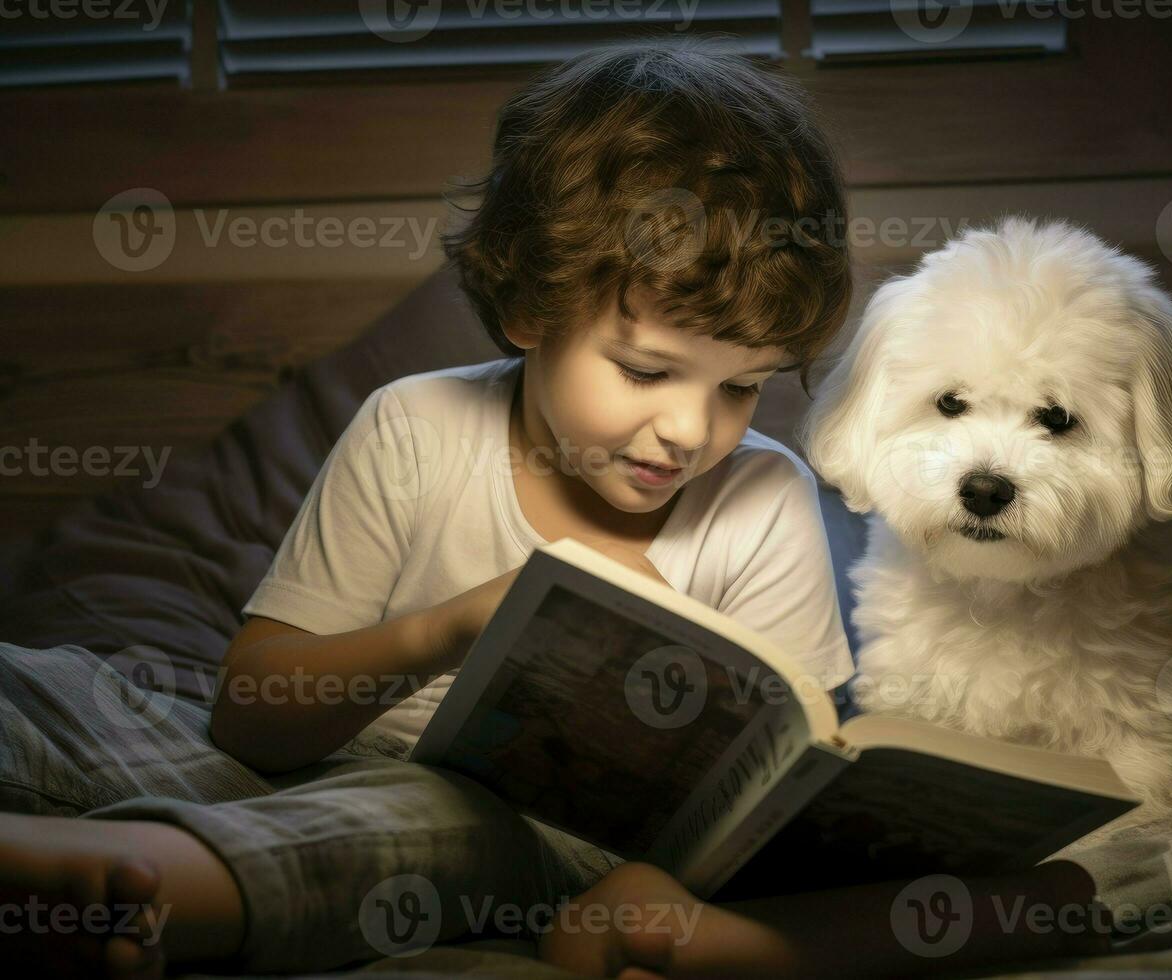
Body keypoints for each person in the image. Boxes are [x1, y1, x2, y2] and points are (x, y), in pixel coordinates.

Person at [0, 39, 1106, 979]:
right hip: (301, 754)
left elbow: (773, 789)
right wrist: (445, 627)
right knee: (74, 692)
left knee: (434, 831)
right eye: (644, 370)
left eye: (739, 386)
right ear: (530, 307)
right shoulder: (414, 426)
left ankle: (125, 887)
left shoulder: (762, 492)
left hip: (523, 832)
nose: (690, 429)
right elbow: (246, 718)